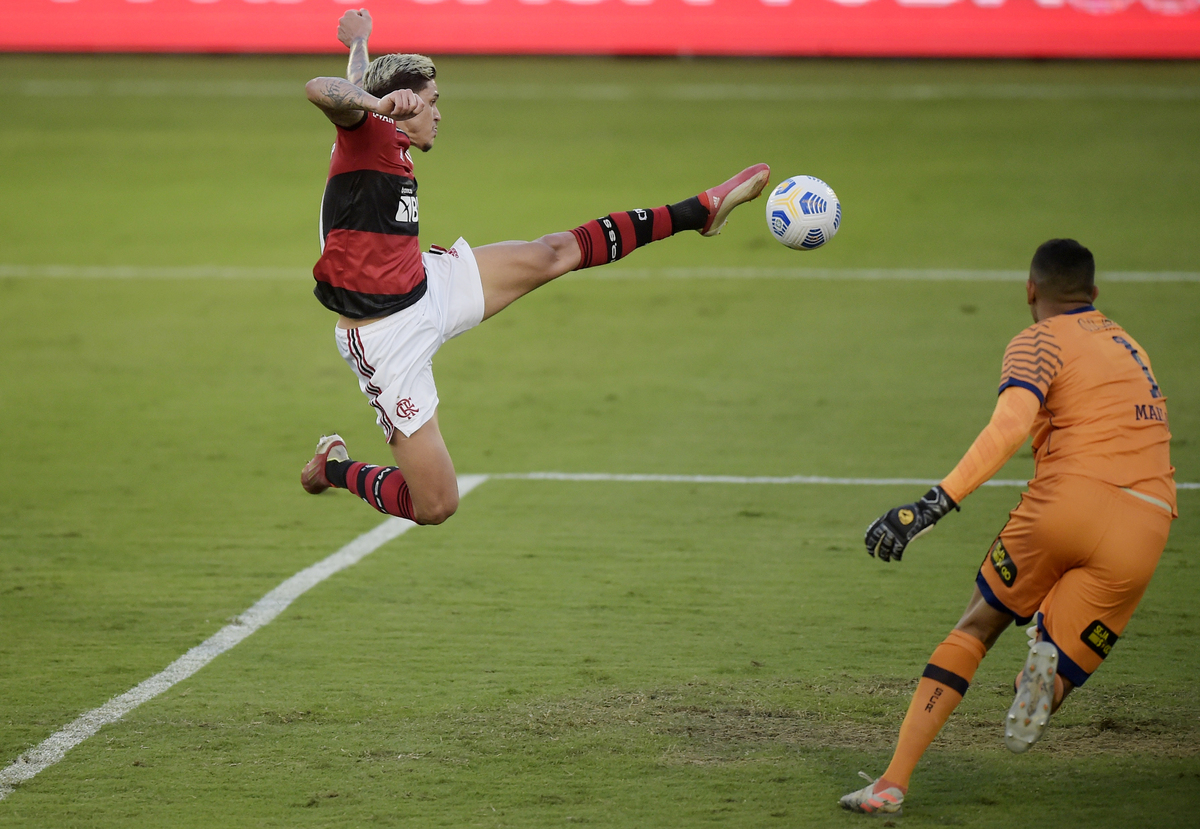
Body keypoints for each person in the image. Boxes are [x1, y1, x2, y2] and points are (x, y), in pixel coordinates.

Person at [299, 9, 771, 525]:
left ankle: (698, 212)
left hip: (426, 284)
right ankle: (333, 466)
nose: (439, 114)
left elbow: (357, 85)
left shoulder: (380, 127)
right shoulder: (367, 131)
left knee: (554, 253)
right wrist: (378, 102)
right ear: (402, 105)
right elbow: (319, 89)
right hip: (386, 338)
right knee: (435, 504)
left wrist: (360, 43)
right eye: (432, 102)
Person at [840, 238, 1176, 815]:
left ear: (1030, 290)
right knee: (1060, 666)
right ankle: (1039, 682)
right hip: (1146, 523)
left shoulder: (1038, 340)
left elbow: (1010, 425)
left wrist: (932, 504)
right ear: (1094, 293)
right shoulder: (1131, 346)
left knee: (978, 623)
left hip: (1068, 502)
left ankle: (891, 784)